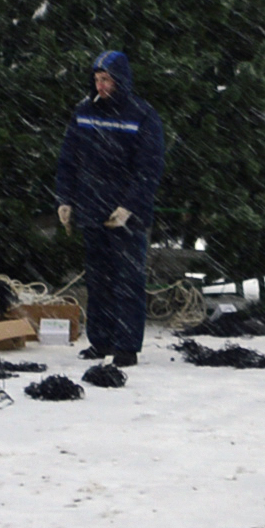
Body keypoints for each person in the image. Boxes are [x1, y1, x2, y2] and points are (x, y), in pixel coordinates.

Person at [54, 49, 166, 367]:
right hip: (91, 210)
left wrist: (129, 206)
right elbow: (68, 160)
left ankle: (127, 346)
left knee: (128, 280)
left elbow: (149, 168)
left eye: (107, 80)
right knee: (98, 281)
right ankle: (100, 341)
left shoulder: (142, 116)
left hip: (127, 217)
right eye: (97, 79)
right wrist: (64, 199)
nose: (101, 86)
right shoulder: (83, 113)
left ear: (121, 81)